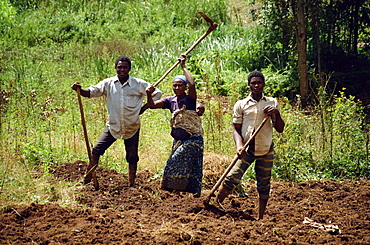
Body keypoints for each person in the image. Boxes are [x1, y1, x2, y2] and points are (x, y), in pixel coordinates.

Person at [71, 55, 162, 187]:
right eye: (119, 67)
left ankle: (131, 184)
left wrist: (143, 108)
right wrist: (80, 90)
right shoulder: (108, 83)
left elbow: (156, 94)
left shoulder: (138, 84)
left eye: (125, 67)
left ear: (129, 69)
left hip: (132, 126)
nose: (122, 70)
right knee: (96, 150)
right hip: (113, 126)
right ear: (115, 68)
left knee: (132, 157)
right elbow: (92, 92)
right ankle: (88, 178)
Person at [216, 70, 285, 219]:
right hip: (247, 149)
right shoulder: (241, 104)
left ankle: (260, 217)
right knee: (231, 178)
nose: (256, 85)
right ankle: (216, 205)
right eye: (253, 83)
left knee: (264, 183)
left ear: (263, 85)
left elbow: (280, 128)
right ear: (249, 85)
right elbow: (236, 130)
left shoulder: (272, 103)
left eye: (259, 82)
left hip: (266, 148)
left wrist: (276, 114)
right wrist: (239, 147)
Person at [146, 54, 204, 197]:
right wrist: (148, 94)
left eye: (180, 85)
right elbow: (152, 105)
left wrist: (183, 66)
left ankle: (177, 192)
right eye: (175, 85)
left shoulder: (189, 99)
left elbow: (192, 84)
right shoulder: (169, 100)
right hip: (178, 141)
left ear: (184, 87)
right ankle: (177, 194)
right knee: (180, 166)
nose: (177, 87)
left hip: (192, 140)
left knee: (175, 163)